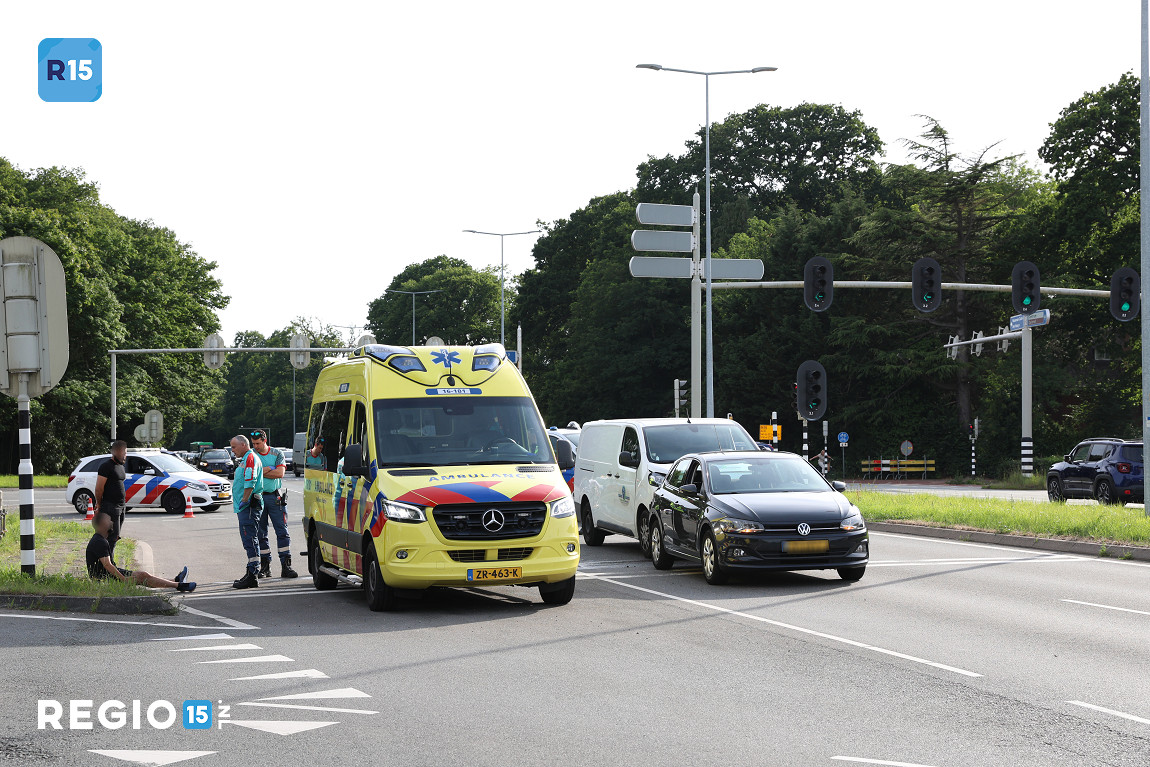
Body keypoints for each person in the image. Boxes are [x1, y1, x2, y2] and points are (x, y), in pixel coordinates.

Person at [86, 511, 195, 592]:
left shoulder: (100, 539)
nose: (111, 522)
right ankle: (179, 586)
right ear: (103, 524)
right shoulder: (99, 541)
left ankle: (176, 581)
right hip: (106, 579)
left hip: (109, 576)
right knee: (143, 576)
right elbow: (107, 565)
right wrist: (124, 579)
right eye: (109, 520)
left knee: (144, 576)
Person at [249, 429, 297, 579]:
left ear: (265, 440)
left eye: (257, 443)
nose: (255, 446)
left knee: (282, 531)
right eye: (253, 443)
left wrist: (261, 471)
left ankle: (286, 565)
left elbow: (280, 473)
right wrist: (269, 469)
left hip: (275, 497)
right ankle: (265, 566)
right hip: (258, 497)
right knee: (260, 534)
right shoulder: (251, 455)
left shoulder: (277, 454)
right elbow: (251, 474)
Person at [230, 434, 266, 589]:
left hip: (248, 507)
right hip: (246, 506)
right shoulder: (247, 458)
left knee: (250, 540)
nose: (232, 451)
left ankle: (253, 574)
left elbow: (250, 482)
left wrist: (244, 501)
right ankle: (251, 571)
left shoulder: (250, 459)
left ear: (243, 445)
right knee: (249, 540)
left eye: (234, 447)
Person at [94, 440, 128, 563]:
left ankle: (110, 563)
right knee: (110, 537)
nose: (125, 455)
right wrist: (99, 504)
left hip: (120, 507)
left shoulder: (120, 467)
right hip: (110, 507)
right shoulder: (106, 466)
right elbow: (99, 489)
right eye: (123, 453)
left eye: (125, 453)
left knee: (116, 536)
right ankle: (108, 565)